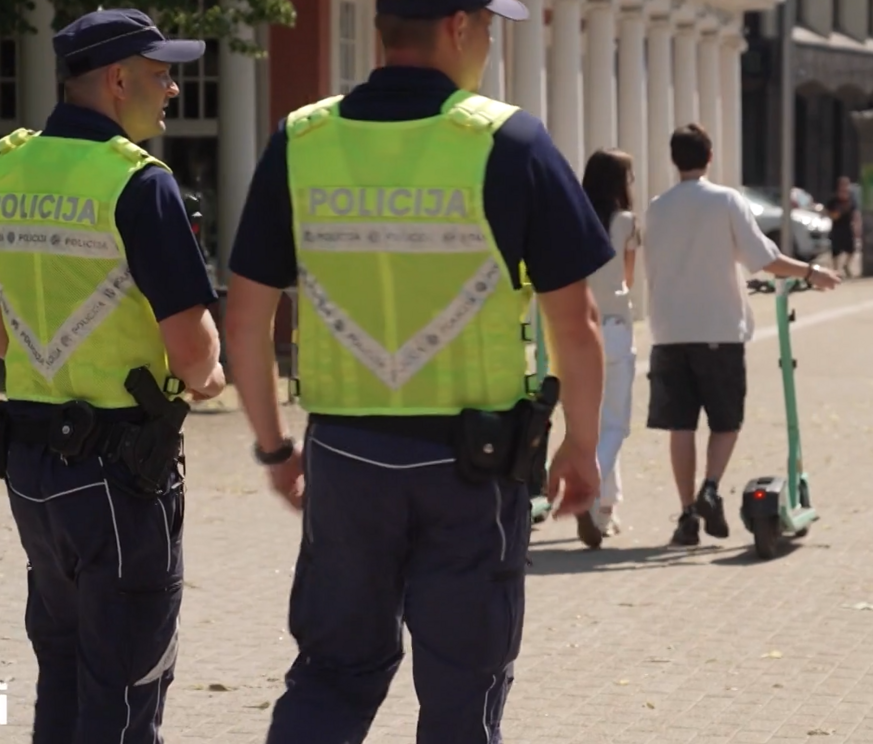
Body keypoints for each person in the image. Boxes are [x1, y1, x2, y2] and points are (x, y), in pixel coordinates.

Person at [222, 0, 611, 740]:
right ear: (459, 27)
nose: (491, 47)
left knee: (332, 675)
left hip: (345, 458)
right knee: (464, 692)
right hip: (474, 469)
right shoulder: (512, 142)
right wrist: (581, 446)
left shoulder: (302, 140)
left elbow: (244, 320)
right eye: (491, 30)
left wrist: (275, 447)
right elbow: (576, 324)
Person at [0, 9, 225, 742]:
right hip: (120, 476)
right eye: (161, 74)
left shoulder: (6, 171)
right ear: (118, 81)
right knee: (126, 689)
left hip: (30, 472)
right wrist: (208, 374)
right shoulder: (139, 185)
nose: (173, 89)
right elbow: (196, 359)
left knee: (65, 673)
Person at [643, 123, 841, 548]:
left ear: (674, 159)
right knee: (726, 419)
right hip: (718, 328)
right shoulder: (726, 200)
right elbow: (763, 258)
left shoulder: (657, 207)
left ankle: (686, 516)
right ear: (709, 155)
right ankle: (710, 487)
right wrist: (812, 271)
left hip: (668, 330)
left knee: (681, 425)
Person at [575, 148, 640, 549]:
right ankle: (592, 491)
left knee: (590, 423)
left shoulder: (572, 219)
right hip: (614, 327)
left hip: (579, 328)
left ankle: (606, 508)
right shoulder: (627, 222)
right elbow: (628, 278)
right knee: (616, 424)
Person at [824, 176, 861, 277]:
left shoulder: (851, 199)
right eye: (843, 185)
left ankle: (846, 265)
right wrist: (833, 215)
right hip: (836, 227)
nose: (845, 187)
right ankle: (836, 271)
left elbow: (855, 213)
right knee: (836, 251)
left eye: (846, 185)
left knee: (852, 249)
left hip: (848, 227)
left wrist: (857, 226)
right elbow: (826, 211)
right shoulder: (834, 200)